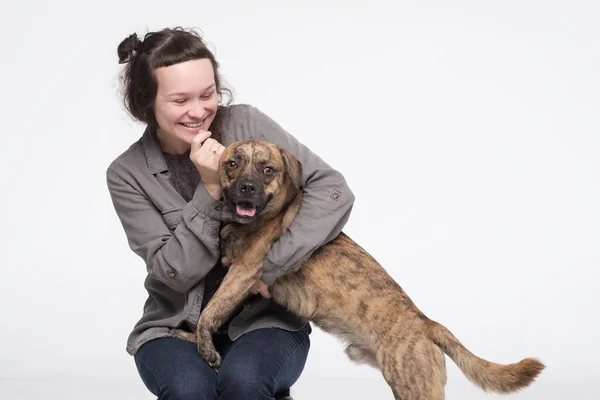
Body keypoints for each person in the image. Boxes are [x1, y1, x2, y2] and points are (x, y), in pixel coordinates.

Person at [106, 26, 355, 400]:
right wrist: (209, 191)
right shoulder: (128, 175)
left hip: (265, 321)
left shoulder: (247, 124)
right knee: (191, 390)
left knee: (243, 383)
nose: (198, 111)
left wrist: (271, 267)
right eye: (179, 100)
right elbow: (171, 274)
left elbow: (332, 191)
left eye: (207, 95)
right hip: (175, 325)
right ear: (148, 102)